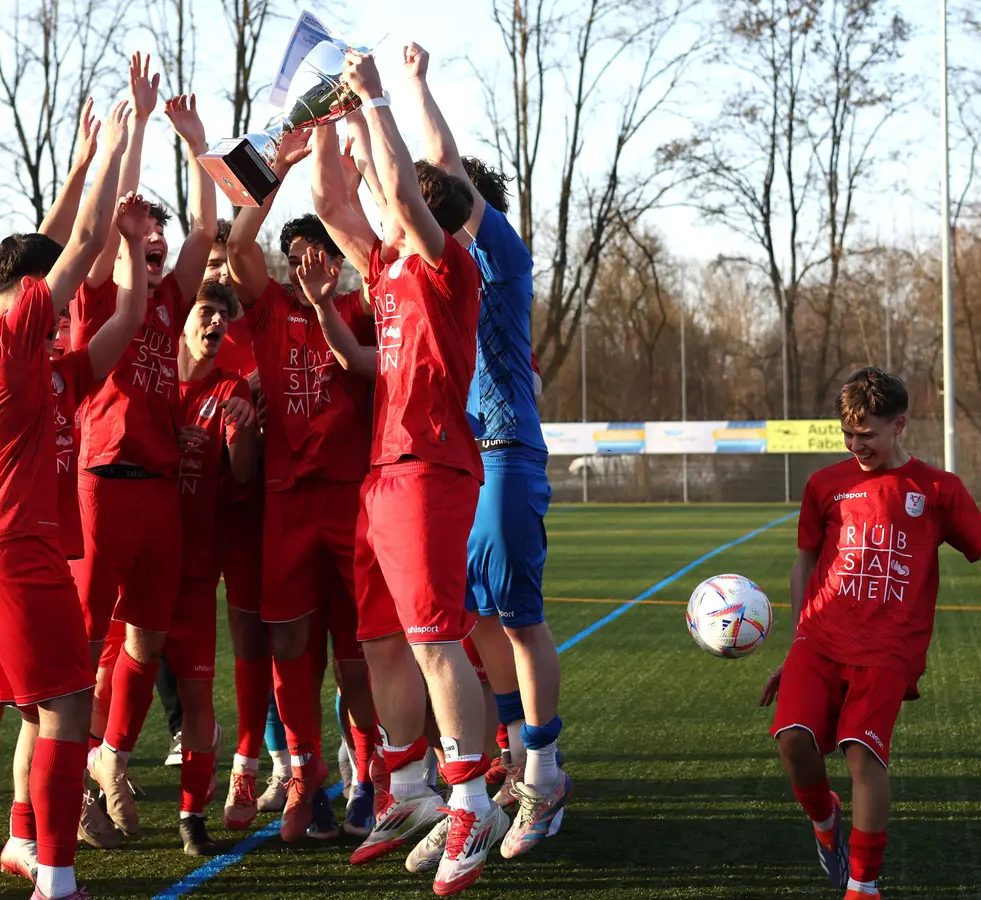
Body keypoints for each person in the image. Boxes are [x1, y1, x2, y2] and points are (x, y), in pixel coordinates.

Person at [760, 366, 981, 900]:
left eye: (867, 433)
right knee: (793, 742)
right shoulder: (824, 485)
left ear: (900, 424)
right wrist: (797, 640)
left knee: (861, 755)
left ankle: (863, 886)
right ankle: (825, 819)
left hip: (888, 649)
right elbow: (804, 563)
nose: (856, 445)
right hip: (819, 639)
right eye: (848, 434)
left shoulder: (940, 490)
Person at [0, 98, 133, 900]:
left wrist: (81, 161)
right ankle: (55, 878)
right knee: (66, 709)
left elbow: (42, 248)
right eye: (54, 297)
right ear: (30, 293)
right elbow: (73, 246)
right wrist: (115, 145)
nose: (63, 309)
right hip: (16, 545)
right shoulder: (17, 333)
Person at [307, 49, 506, 895]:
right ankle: (413, 789)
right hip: (383, 475)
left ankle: (473, 798)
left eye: (401, 200)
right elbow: (329, 199)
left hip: (429, 468)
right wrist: (328, 122)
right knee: (382, 637)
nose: (384, 207)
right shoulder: (387, 266)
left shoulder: (443, 262)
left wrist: (377, 101)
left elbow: (394, 188)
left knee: (431, 640)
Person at [396, 43, 569, 865]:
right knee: (472, 619)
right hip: (466, 464)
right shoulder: (441, 283)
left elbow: (444, 166)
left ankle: (545, 772)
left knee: (521, 616)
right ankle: (509, 752)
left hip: (506, 452)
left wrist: (419, 87)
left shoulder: (497, 252)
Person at [70, 55, 216, 839]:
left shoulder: (171, 300)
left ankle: (110, 760)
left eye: (156, 238)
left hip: (160, 489)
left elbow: (202, 230)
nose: (153, 241)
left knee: (146, 643)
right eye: (143, 233)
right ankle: (54, 799)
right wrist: (129, 129)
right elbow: (112, 220)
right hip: (102, 482)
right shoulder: (104, 294)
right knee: (85, 647)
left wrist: (194, 142)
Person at [223, 129, 380, 841]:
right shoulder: (271, 310)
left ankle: (371, 777)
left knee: (357, 655)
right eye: (293, 256)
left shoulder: (356, 310)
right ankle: (305, 775)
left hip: (351, 500)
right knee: (289, 646)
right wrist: (277, 168)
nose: (302, 264)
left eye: (314, 251)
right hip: (286, 505)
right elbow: (234, 248)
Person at [167, 279, 259, 854]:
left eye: (223, 318)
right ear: (180, 316)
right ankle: (94, 793)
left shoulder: (228, 387)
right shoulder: (147, 375)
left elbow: (243, 473)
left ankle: (190, 814)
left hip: (198, 566)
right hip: (141, 562)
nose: (214, 325)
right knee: (108, 684)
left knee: (199, 697)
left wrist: (245, 429)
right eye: (205, 313)